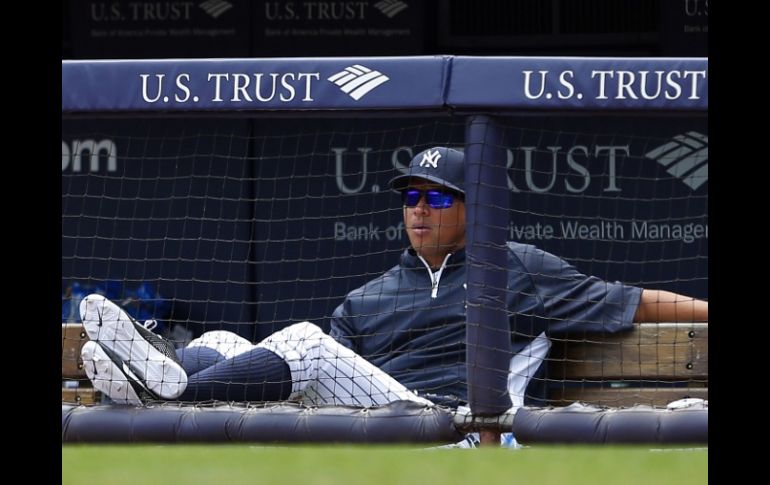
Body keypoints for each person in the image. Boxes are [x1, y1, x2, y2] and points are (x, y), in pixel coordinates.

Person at [78, 146, 708, 447]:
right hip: (372, 423)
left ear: (472, 208)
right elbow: (311, 386)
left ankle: (169, 387)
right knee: (219, 342)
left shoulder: (516, 268)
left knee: (303, 345)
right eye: (410, 197)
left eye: (436, 197)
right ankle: (151, 382)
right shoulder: (370, 295)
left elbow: (637, 301)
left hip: (457, 430)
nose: (419, 210)